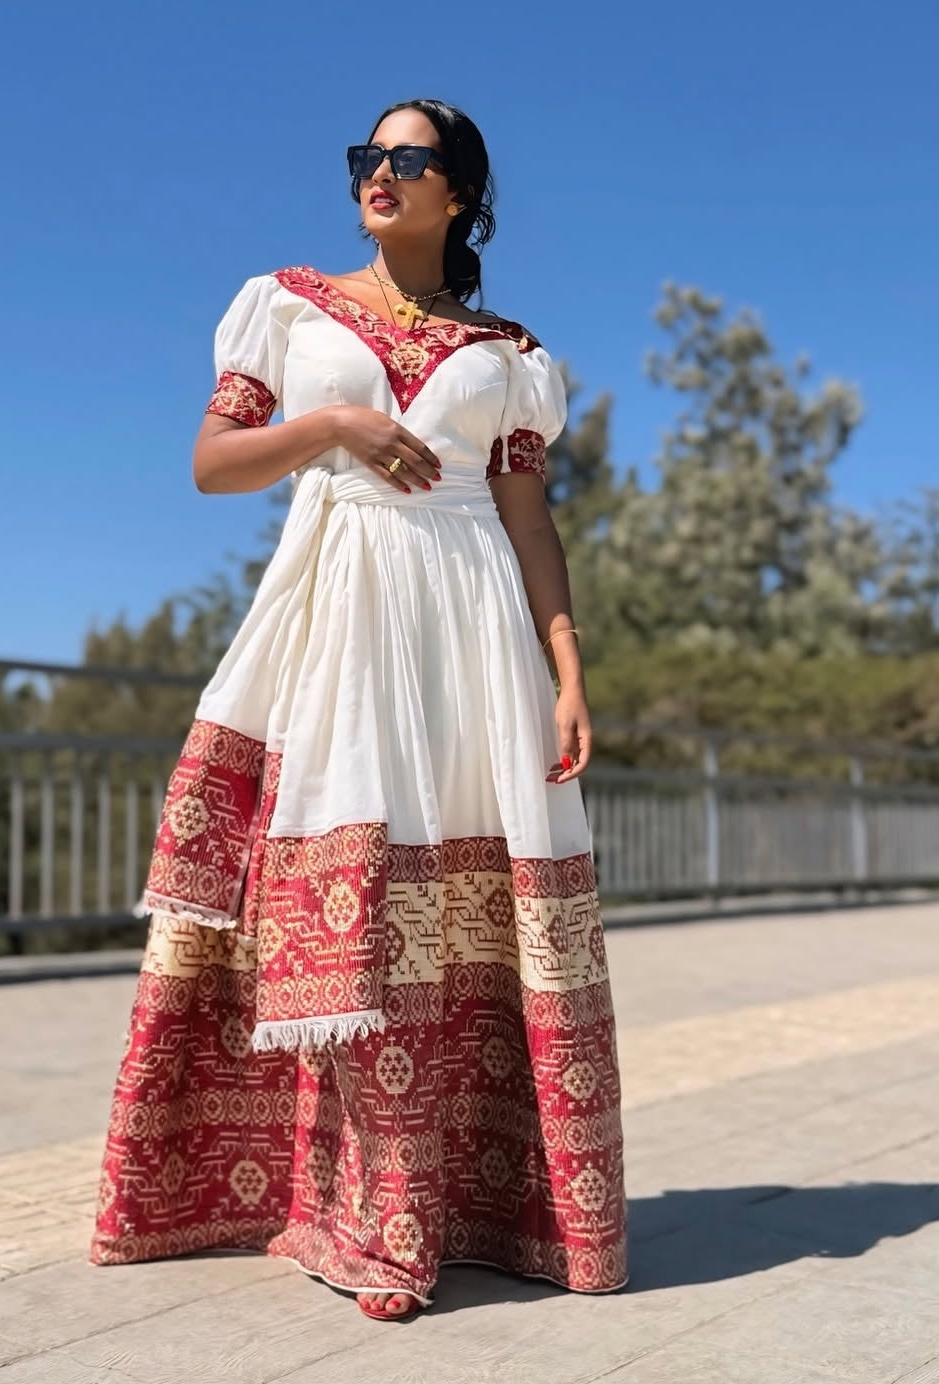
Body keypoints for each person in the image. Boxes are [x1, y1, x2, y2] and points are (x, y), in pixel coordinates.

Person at [91, 97, 629, 1320]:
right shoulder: (285, 304)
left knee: (470, 898)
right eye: (367, 158)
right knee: (347, 901)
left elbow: (527, 520)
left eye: (409, 159)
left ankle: (493, 1209)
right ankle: (355, 1210)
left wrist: (567, 667)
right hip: (339, 618)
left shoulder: (512, 357)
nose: (380, 175)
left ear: (461, 194)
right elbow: (211, 463)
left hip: (474, 637)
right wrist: (328, 425)